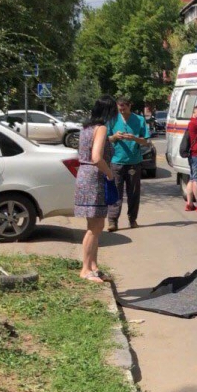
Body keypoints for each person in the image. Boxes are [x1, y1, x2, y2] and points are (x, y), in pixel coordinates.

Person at [74, 95, 118, 283]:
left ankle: (94, 267)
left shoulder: (86, 128)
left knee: (95, 225)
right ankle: (85, 269)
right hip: (95, 178)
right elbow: (96, 157)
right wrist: (110, 174)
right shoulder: (101, 128)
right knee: (95, 227)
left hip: (85, 175)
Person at [106, 97, 151, 232]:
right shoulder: (112, 119)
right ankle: (113, 221)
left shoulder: (140, 120)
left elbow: (146, 141)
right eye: (120, 109)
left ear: (129, 106)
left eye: (124, 109)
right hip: (116, 161)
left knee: (133, 193)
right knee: (116, 192)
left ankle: (132, 219)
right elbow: (106, 139)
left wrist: (135, 138)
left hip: (134, 162)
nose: (122, 111)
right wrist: (114, 137)